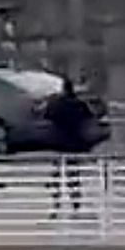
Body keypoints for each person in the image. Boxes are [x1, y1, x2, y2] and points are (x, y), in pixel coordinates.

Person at [45, 79, 94, 217]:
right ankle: (76, 205)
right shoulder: (78, 104)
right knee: (73, 176)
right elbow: (89, 117)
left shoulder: (56, 104)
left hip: (58, 143)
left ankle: (56, 205)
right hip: (74, 143)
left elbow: (47, 116)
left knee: (57, 176)